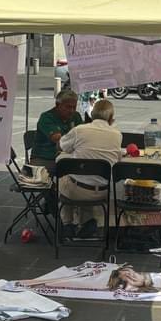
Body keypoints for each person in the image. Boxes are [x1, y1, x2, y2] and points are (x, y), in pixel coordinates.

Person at [57, 99, 123, 236]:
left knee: (63, 177)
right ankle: (86, 221)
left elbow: (62, 146)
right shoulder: (117, 135)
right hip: (103, 192)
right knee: (84, 179)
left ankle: (67, 223)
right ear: (111, 118)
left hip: (77, 190)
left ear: (92, 114)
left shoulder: (79, 130)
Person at [32, 89, 83, 171]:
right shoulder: (46, 117)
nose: (71, 110)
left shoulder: (76, 116)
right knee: (72, 171)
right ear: (57, 105)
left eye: (74, 107)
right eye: (68, 107)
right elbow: (58, 140)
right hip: (45, 158)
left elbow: (83, 136)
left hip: (69, 156)